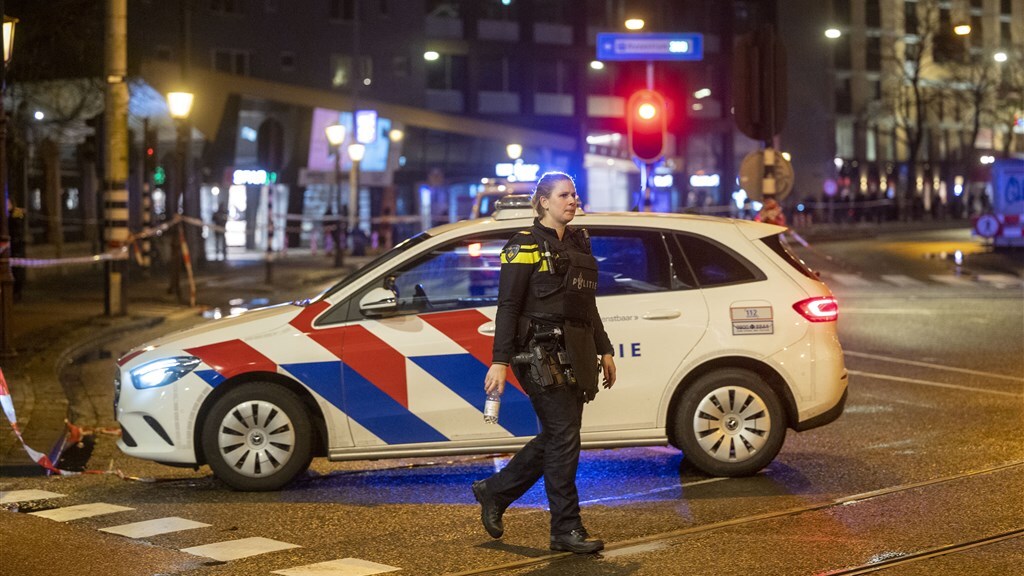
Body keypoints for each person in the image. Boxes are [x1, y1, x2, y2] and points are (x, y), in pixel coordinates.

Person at [471, 171, 616, 554]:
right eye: (564, 195)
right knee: (565, 436)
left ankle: (495, 491)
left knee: (559, 436)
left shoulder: (579, 242)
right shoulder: (524, 245)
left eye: (574, 194)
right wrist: (499, 361)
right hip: (537, 353)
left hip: (577, 348)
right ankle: (565, 529)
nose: (572, 200)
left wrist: (605, 348)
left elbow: (587, 305)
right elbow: (508, 305)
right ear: (544, 202)